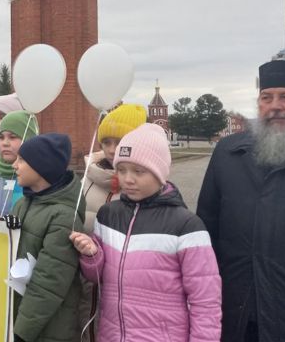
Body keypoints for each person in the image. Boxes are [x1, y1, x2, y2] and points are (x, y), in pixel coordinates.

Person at [197, 59, 285, 342]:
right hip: (237, 317)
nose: (275, 105)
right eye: (267, 97)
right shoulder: (228, 154)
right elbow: (205, 234)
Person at [70, 124, 221, 342]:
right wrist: (91, 254)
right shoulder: (108, 215)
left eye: (138, 171)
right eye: (121, 170)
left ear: (160, 173)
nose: (128, 179)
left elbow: (205, 301)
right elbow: (96, 277)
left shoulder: (187, 226)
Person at [76, 102, 147, 341]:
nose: (111, 148)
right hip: (85, 279)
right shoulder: (87, 179)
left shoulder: (144, 186)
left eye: (120, 142)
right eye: (107, 142)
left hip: (124, 287)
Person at [10, 133, 84, 342]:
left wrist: (20, 333)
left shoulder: (63, 217)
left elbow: (48, 283)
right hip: (20, 315)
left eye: (22, 160)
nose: (14, 165)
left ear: (41, 167)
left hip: (47, 328)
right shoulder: (23, 204)